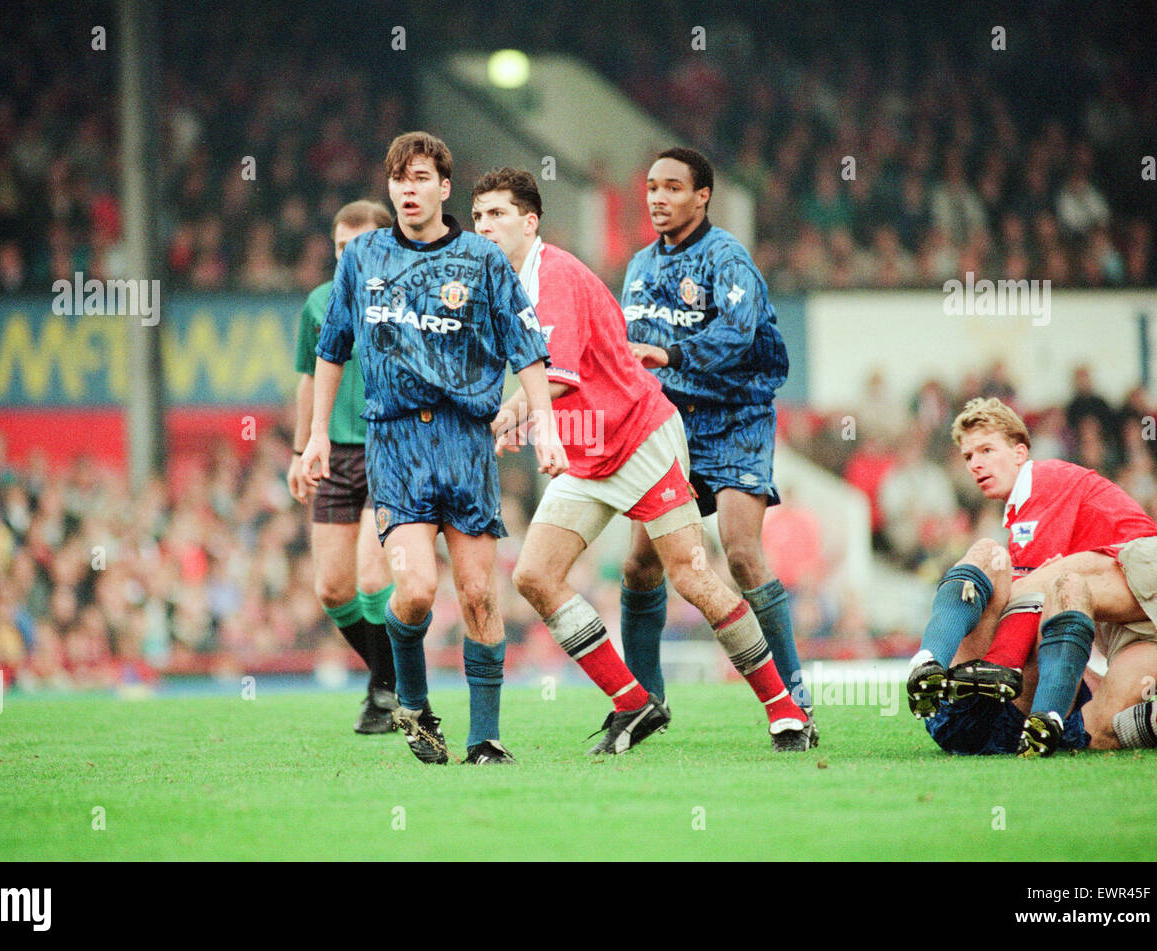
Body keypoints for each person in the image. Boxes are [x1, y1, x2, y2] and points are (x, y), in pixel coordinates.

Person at [473, 167, 813, 753]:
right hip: (588, 450)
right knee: (533, 575)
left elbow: (557, 374)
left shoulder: (552, 275)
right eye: (477, 216)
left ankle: (787, 711)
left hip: (638, 438)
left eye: (497, 214)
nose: (484, 226)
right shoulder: (502, 283)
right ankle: (634, 701)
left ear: (530, 222)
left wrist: (513, 413)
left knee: (692, 574)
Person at [301, 133, 568, 766]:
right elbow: (331, 348)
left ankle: (485, 739)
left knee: (478, 596)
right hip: (394, 441)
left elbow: (527, 346)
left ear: (445, 188)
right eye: (398, 179)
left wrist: (548, 425)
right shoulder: (362, 257)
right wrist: (315, 435)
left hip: (465, 441)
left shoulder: (481, 258)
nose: (407, 190)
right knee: (415, 589)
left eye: (420, 178)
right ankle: (415, 706)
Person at [621, 147, 815, 749]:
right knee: (639, 564)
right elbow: (628, 344)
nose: (658, 198)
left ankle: (792, 695)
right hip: (670, 424)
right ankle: (643, 700)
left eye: (673, 188)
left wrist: (671, 355)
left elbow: (736, 335)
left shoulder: (727, 256)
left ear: (702, 196)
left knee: (741, 554)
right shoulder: (638, 266)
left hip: (736, 419)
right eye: (652, 186)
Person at [906, 397, 1157, 756]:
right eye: (968, 457)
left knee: (1005, 564)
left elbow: (1034, 587)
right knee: (1099, 730)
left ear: (1019, 453)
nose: (976, 463)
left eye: (986, 449)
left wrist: (1003, 660)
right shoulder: (1030, 503)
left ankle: (935, 661)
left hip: (1147, 564)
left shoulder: (1038, 480)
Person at [286, 199, 397, 734]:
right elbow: (308, 378)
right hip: (333, 452)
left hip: (388, 448)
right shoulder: (319, 303)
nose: (347, 256)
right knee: (333, 589)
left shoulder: (402, 299)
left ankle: (385, 690)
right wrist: (302, 446)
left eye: (359, 246)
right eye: (339, 247)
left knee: (374, 574)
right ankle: (388, 680)